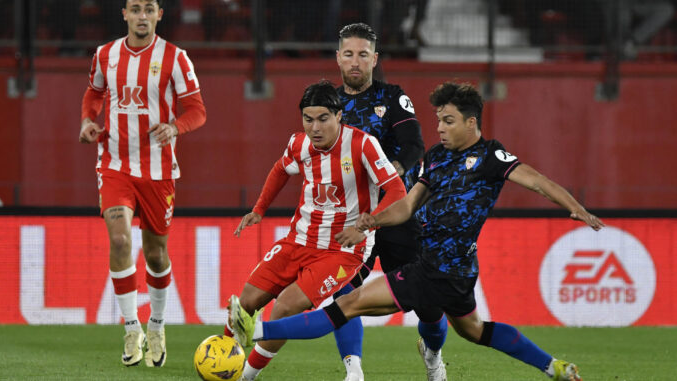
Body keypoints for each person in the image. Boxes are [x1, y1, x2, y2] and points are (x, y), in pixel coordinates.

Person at [232, 81, 605, 381]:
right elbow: (408, 205)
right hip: (455, 270)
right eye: (439, 120)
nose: (439, 128)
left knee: (345, 305)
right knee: (474, 330)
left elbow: (537, 181)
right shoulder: (437, 158)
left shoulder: (491, 156)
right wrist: (372, 221)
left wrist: (576, 208)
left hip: (433, 269)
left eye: (448, 121)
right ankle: (552, 367)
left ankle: (259, 333)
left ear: (471, 123)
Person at [224, 80, 407, 381]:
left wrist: (367, 225)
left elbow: (397, 189)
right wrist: (258, 209)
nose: (315, 127)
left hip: (343, 250)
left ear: (339, 116)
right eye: (308, 119)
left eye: (323, 118)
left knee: (285, 307)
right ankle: (222, 359)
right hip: (299, 239)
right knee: (246, 300)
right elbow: (280, 169)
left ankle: (245, 375)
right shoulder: (299, 144)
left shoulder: (362, 144)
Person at [78, 0, 206, 367]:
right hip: (115, 165)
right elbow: (94, 93)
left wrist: (174, 126)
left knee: (155, 254)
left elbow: (197, 110)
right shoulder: (105, 55)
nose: (142, 16)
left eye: (149, 8)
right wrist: (89, 120)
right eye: (135, 8)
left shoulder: (176, 58)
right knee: (119, 239)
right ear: (124, 14)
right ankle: (132, 325)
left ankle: (158, 324)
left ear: (159, 14)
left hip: (159, 171)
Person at [332, 22, 447, 381]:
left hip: (399, 215)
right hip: (353, 217)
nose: (355, 61)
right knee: (342, 292)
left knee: (429, 306)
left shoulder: (393, 98)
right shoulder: (328, 104)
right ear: (338, 58)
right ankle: (354, 371)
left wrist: (389, 172)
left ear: (374, 59)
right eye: (348, 54)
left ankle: (432, 355)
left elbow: (415, 146)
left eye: (362, 55)